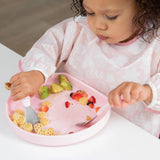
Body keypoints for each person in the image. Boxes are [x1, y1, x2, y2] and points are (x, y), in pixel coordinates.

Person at [10, 0, 160, 137]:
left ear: (143, 9)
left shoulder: (156, 45)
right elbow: (50, 44)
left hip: (129, 137)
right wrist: (37, 72)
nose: (97, 25)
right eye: (90, 12)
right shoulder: (78, 29)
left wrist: (147, 91)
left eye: (111, 16)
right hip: (72, 123)